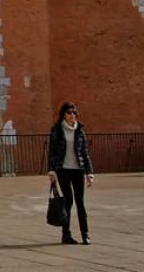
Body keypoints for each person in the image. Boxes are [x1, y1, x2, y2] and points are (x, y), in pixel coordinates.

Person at [48, 102, 94, 245]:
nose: (72, 115)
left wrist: (89, 173)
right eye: (69, 112)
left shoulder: (79, 129)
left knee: (80, 202)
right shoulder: (57, 129)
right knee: (68, 201)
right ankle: (66, 234)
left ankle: (85, 234)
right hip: (63, 170)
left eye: (74, 112)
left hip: (77, 169)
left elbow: (85, 152)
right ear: (63, 114)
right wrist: (51, 171)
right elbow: (52, 151)